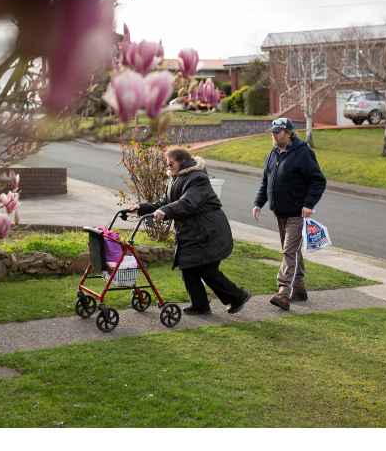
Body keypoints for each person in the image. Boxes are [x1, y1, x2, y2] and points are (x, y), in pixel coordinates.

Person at [129, 147, 251, 315]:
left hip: (209, 231)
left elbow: (188, 202)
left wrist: (167, 211)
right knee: (188, 266)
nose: (168, 168)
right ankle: (200, 305)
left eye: (171, 164)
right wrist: (142, 208)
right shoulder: (175, 179)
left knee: (207, 270)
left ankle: (238, 296)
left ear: (183, 162)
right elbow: (163, 202)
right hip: (195, 231)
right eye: (167, 164)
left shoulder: (198, 178)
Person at [252, 118, 327, 310]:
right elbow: (265, 181)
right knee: (292, 251)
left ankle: (284, 293)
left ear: (289, 133)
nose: (274, 135)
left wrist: (309, 203)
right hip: (280, 212)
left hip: (297, 213)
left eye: (278, 132)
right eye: (273, 132)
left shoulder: (303, 153)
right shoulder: (272, 154)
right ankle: (299, 287)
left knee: (289, 251)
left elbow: (318, 180)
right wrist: (259, 203)